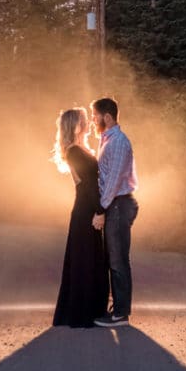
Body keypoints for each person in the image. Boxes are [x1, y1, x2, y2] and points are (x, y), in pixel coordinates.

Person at [52, 107, 110, 328]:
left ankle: (91, 309)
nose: (88, 122)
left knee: (91, 258)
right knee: (85, 260)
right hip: (85, 209)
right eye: (84, 119)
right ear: (76, 125)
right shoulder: (74, 151)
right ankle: (82, 313)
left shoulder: (79, 149)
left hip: (87, 207)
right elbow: (87, 185)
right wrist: (100, 211)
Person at [90, 97, 138, 328]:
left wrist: (101, 208)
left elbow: (114, 180)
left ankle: (120, 314)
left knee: (118, 260)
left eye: (95, 115)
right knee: (113, 259)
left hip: (118, 205)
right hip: (114, 205)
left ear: (107, 116)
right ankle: (118, 308)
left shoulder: (118, 142)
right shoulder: (106, 139)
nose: (93, 120)